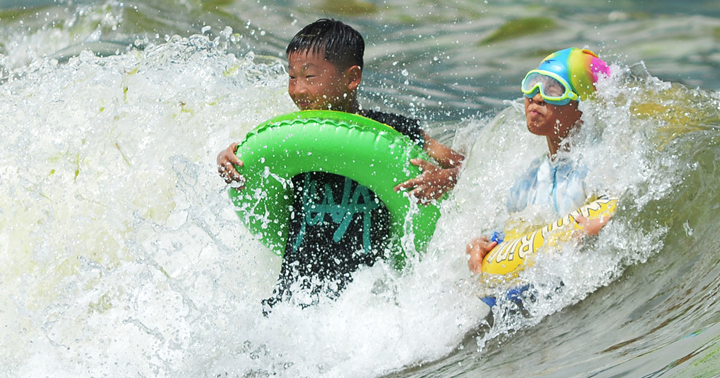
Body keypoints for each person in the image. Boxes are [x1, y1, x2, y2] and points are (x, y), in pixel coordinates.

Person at [217, 18, 464, 313]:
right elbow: (252, 170)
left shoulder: (391, 130)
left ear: (352, 78)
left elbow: (467, 166)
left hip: (366, 302)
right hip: (292, 299)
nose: (298, 90)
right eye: (292, 77)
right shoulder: (291, 140)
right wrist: (227, 160)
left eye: (310, 77)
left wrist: (447, 177)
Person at [467, 47, 612, 276]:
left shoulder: (598, 166)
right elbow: (514, 231)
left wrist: (603, 226)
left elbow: (627, 209)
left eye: (553, 90)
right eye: (533, 83)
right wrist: (484, 244)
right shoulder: (529, 179)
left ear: (582, 110)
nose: (536, 97)